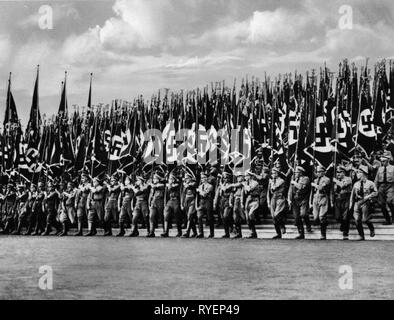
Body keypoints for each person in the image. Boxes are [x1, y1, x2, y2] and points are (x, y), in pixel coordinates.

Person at [350, 165, 378, 240]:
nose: (357, 174)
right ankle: (361, 235)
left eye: (359, 172)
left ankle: (371, 229)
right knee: (357, 220)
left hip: (366, 202)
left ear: (364, 174)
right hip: (357, 202)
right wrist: (351, 205)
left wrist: (368, 196)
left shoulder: (370, 183)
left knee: (365, 219)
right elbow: (352, 195)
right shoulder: (356, 184)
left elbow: (375, 192)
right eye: (357, 172)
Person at [288, 166, 311, 240]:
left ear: (301, 173)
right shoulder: (294, 179)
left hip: (303, 199)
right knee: (296, 217)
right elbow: (290, 189)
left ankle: (308, 224)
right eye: (294, 172)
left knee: (304, 214)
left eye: (296, 172)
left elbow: (301, 187)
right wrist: (289, 199)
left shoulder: (306, 178)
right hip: (295, 199)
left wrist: (294, 182)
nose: (295, 174)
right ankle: (301, 233)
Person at [333, 166, 353, 240]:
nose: (338, 174)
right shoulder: (336, 180)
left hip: (346, 198)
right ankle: (342, 224)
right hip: (338, 199)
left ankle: (345, 232)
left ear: (344, 172)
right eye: (337, 172)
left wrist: (336, 181)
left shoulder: (348, 179)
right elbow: (333, 191)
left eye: (340, 172)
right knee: (337, 217)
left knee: (345, 216)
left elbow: (343, 185)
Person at [311, 166, 331, 240]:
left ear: (324, 172)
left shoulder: (327, 179)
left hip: (323, 197)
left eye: (320, 172)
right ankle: (324, 222)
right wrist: (311, 201)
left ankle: (323, 234)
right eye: (317, 172)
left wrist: (314, 185)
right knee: (315, 217)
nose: (318, 173)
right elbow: (312, 192)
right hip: (315, 198)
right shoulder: (315, 180)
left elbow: (321, 188)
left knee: (321, 216)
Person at [374, 151, 394, 225]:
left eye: (384, 161)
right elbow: (376, 179)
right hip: (381, 186)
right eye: (382, 161)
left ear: (388, 160)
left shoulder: (393, 168)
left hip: (390, 186)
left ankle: (393, 216)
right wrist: (375, 188)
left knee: (389, 201)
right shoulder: (380, 169)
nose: (383, 163)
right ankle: (388, 220)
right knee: (381, 204)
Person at [267, 168, 287, 239]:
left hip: (280, 198)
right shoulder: (272, 181)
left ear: (278, 173)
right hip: (273, 198)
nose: (273, 175)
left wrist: (271, 182)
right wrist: (268, 201)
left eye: (274, 173)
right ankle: (278, 233)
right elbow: (269, 191)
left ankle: (282, 225)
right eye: (272, 173)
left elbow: (274, 188)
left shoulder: (281, 180)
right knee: (273, 217)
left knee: (276, 215)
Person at [213, 172, 234, 238]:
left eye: (227, 178)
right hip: (221, 201)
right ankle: (226, 233)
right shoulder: (220, 185)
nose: (226, 179)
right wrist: (215, 203)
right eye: (224, 178)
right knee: (222, 218)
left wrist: (221, 184)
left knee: (225, 216)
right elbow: (217, 195)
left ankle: (231, 227)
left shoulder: (230, 185)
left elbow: (226, 189)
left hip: (228, 201)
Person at [162, 173, 182, 238]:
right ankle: (166, 231)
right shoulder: (167, 186)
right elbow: (166, 195)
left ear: (173, 179)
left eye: (170, 179)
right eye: (169, 179)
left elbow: (173, 189)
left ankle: (179, 231)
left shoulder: (177, 185)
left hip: (176, 201)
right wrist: (165, 204)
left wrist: (170, 185)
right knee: (166, 216)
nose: (169, 180)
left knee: (177, 216)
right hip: (169, 201)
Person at [242, 171, 260, 239]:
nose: (245, 177)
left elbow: (249, 189)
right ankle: (253, 232)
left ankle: (253, 230)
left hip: (254, 200)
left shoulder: (255, 183)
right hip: (248, 200)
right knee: (247, 218)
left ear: (250, 176)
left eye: (247, 176)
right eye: (245, 176)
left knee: (250, 214)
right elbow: (244, 193)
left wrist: (244, 185)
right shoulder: (246, 183)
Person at [196, 172, 215, 238]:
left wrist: (199, 190)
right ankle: (200, 233)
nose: (202, 179)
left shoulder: (210, 186)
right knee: (199, 217)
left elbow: (204, 194)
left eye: (203, 178)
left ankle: (211, 233)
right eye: (201, 178)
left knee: (209, 218)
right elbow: (198, 196)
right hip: (201, 202)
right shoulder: (200, 186)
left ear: (206, 178)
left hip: (208, 202)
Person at [181, 172, 198, 238]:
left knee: (190, 215)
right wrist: (182, 204)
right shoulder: (184, 184)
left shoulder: (193, 183)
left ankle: (187, 232)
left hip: (193, 201)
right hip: (186, 201)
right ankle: (195, 232)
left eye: (187, 178)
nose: (186, 179)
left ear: (190, 178)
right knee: (190, 217)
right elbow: (182, 194)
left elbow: (190, 185)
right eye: (185, 178)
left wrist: (186, 184)